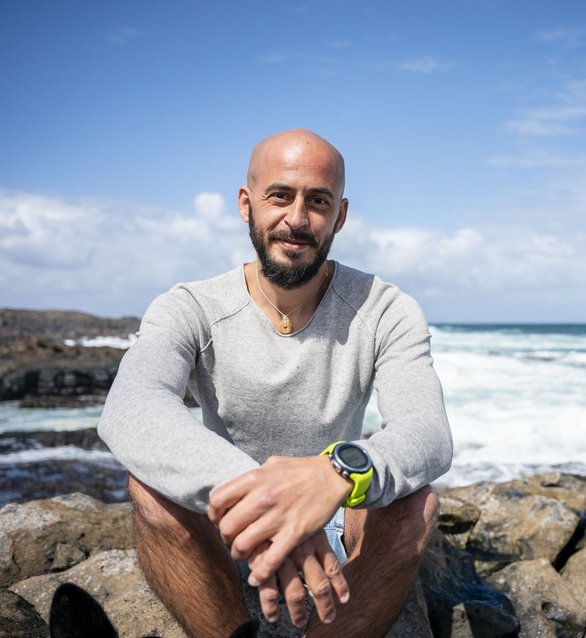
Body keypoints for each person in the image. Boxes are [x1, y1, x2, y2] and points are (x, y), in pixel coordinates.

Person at [98, 129, 453, 637]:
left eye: (319, 201)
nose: (297, 218)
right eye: (280, 196)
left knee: (415, 506)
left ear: (341, 216)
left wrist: (335, 474)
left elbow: (427, 431)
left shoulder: (385, 309)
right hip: (223, 513)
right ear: (246, 204)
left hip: (331, 517)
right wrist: (265, 500)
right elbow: (132, 407)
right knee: (149, 488)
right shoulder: (190, 306)